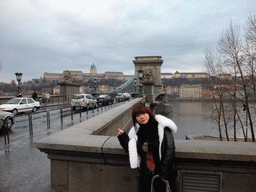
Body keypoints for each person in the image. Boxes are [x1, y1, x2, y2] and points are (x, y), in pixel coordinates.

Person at [118, 102, 178, 192]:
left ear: (149, 113)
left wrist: (164, 175)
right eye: (138, 115)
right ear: (135, 119)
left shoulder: (162, 128)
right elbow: (133, 152)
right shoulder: (137, 132)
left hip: (162, 175)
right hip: (146, 176)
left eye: (144, 113)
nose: (142, 117)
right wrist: (123, 138)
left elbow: (170, 151)